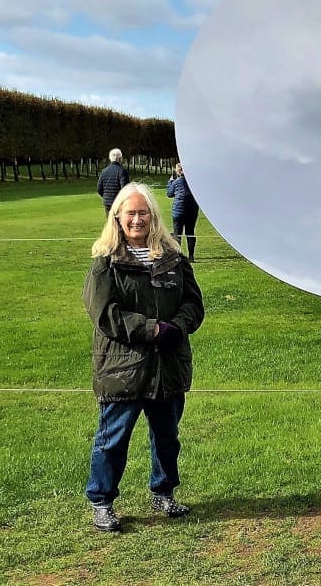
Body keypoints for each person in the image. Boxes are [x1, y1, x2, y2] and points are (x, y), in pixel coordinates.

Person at [82, 182, 205, 532]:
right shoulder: (106, 263)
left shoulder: (174, 258)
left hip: (167, 367)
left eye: (143, 212)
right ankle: (102, 501)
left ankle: (163, 492)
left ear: (153, 216)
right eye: (130, 213)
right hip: (122, 369)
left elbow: (193, 305)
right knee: (112, 438)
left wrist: (176, 328)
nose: (137, 219)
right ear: (117, 216)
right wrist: (150, 329)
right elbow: (104, 313)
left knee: (167, 436)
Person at [166, 163, 200, 262]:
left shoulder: (176, 182)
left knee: (177, 233)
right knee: (190, 232)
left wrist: (171, 180)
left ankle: (178, 254)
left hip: (178, 212)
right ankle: (191, 255)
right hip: (192, 211)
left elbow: (169, 193)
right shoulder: (193, 182)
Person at [96, 149, 131, 216]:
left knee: (110, 223)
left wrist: (107, 197)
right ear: (120, 158)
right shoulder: (122, 171)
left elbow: (99, 189)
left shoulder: (104, 171)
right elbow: (125, 189)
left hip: (107, 203)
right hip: (119, 203)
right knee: (119, 223)